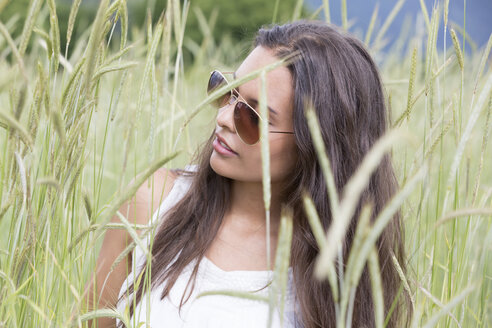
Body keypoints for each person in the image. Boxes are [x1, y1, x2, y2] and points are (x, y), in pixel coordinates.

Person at [87, 19, 411, 328]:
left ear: (316, 144)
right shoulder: (155, 203)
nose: (225, 117)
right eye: (227, 91)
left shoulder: (342, 269)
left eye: (252, 115)